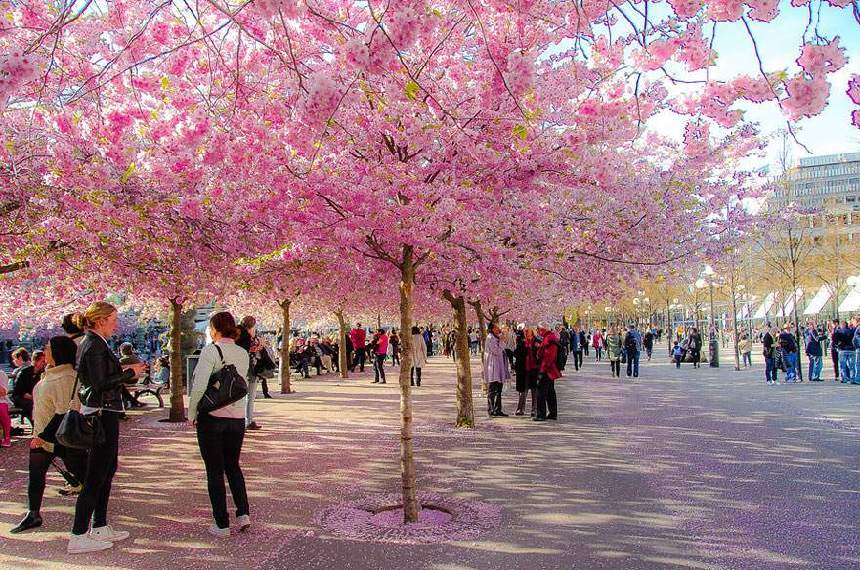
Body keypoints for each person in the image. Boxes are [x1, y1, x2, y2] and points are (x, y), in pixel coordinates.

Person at [69, 302, 147, 554]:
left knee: (106, 469)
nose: (117, 323)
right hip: (101, 413)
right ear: (101, 320)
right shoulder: (93, 344)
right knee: (96, 474)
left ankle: (99, 524)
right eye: (114, 318)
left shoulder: (95, 343)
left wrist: (126, 373)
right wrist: (129, 373)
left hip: (104, 411)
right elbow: (100, 383)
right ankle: (79, 534)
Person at [10, 336, 88, 534]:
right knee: (36, 474)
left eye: (48, 348)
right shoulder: (50, 373)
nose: (45, 351)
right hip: (44, 434)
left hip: (61, 436)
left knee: (83, 475)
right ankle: (33, 513)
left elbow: (63, 412)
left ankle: (96, 512)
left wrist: (42, 436)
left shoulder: (66, 376)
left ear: (58, 352)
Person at [188, 311, 251, 538]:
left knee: (214, 470)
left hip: (212, 417)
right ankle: (243, 513)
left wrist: (192, 411)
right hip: (236, 418)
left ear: (213, 329)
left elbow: (199, 386)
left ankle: (221, 523)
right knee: (233, 465)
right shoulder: (243, 353)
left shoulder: (210, 350)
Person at [236, 316, 263, 430]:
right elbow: (248, 350)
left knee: (244, 396)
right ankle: (247, 420)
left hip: (241, 368)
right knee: (249, 396)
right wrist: (258, 346)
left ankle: (247, 420)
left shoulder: (236, 334)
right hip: (249, 369)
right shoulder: (247, 337)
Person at [534, 323, 560, 422]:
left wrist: (542, 370)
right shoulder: (549, 337)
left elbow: (549, 356)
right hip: (549, 369)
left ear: (542, 329)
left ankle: (541, 414)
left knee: (541, 392)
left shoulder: (549, 338)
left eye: (538, 329)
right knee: (550, 392)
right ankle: (553, 413)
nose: (537, 331)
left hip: (547, 369)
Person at [484, 323, 511, 417]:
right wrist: (502, 342)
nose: (498, 329)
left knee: (499, 389)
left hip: (499, 365)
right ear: (492, 329)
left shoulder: (496, 337)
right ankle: (491, 409)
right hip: (493, 366)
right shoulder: (490, 338)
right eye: (496, 328)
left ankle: (498, 409)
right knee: (493, 388)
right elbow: (496, 351)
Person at [513, 327, 539, 416]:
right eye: (526, 333)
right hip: (523, 370)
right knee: (523, 391)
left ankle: (534, 410)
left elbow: (540, 354)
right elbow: (516, 353)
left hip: (534, 369)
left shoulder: (537, 341)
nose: (528, 334)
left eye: (529, 333)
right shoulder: (521, 342)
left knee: (534, 390)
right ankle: (520, 409)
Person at [10, 347, 36, 426]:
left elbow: (12, 388)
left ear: (20, 358)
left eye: (14, 359)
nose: (13, 361)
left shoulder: (19, 371)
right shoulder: (34, 368)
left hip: (20, 396)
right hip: (28, 395)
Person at [0, 368, 11, 448]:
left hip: (1, 400)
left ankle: (7, 437)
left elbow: (3, 392)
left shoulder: (2, 374)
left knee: (2, 411)